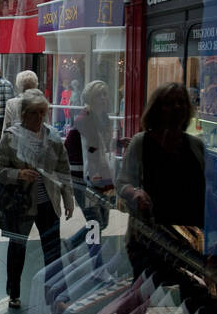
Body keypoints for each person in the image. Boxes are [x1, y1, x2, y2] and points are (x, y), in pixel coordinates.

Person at [0, 89, 73, 309]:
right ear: (24, 114)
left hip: (48, 202)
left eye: (42, 113)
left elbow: (63, 170)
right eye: (34, 113)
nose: (39, 118)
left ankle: (57, 296)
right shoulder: (11, 137)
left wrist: (68, 198)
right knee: (17, 247)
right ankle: (13, 292)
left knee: (53, 250)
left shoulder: (53, 137)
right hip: (20, 203)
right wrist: (18, 174)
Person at [118, 82, 208, 279]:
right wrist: (135, 193)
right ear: (156, 109)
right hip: (150, 240)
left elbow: (205, 193)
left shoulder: (196, 146)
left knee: (195, 301)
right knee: (144, 297)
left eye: (181, 102)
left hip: (189, 242)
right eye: (169, 103)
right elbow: (122, 183)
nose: (177, 107)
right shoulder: (141, 143)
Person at [65, 80, 115, 253]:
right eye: (99, 95)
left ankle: (72, 243)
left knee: (102, 222)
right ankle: (96, 266)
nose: (103, 98)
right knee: (95, 223)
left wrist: (117, 143)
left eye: (105, 94)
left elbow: (101, 146)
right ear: (90, 98)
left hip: (100, 176)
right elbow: (91, 150)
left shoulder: (103, 119)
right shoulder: (84, 119)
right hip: (84, 179)